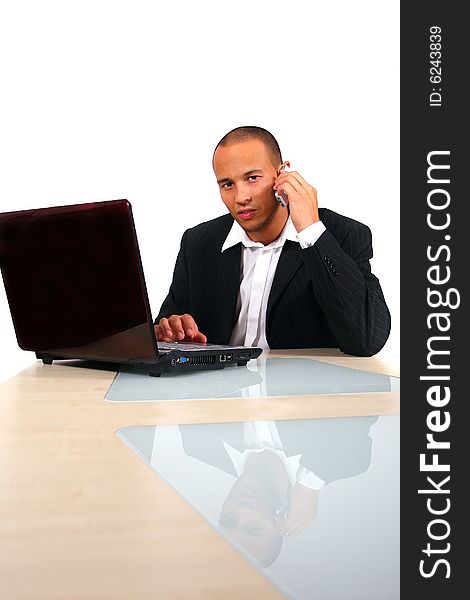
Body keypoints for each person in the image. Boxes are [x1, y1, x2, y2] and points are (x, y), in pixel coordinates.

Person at [155, 126, 390, 356]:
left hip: (305, 391)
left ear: (282, 174)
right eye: (227, 184)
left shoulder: (342, 235)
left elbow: (367, 339)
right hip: (219, 390)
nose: (241, 197)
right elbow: (164, 328)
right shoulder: (198, 242)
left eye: (252, 178)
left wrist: (310, 232)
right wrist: (171, 330)